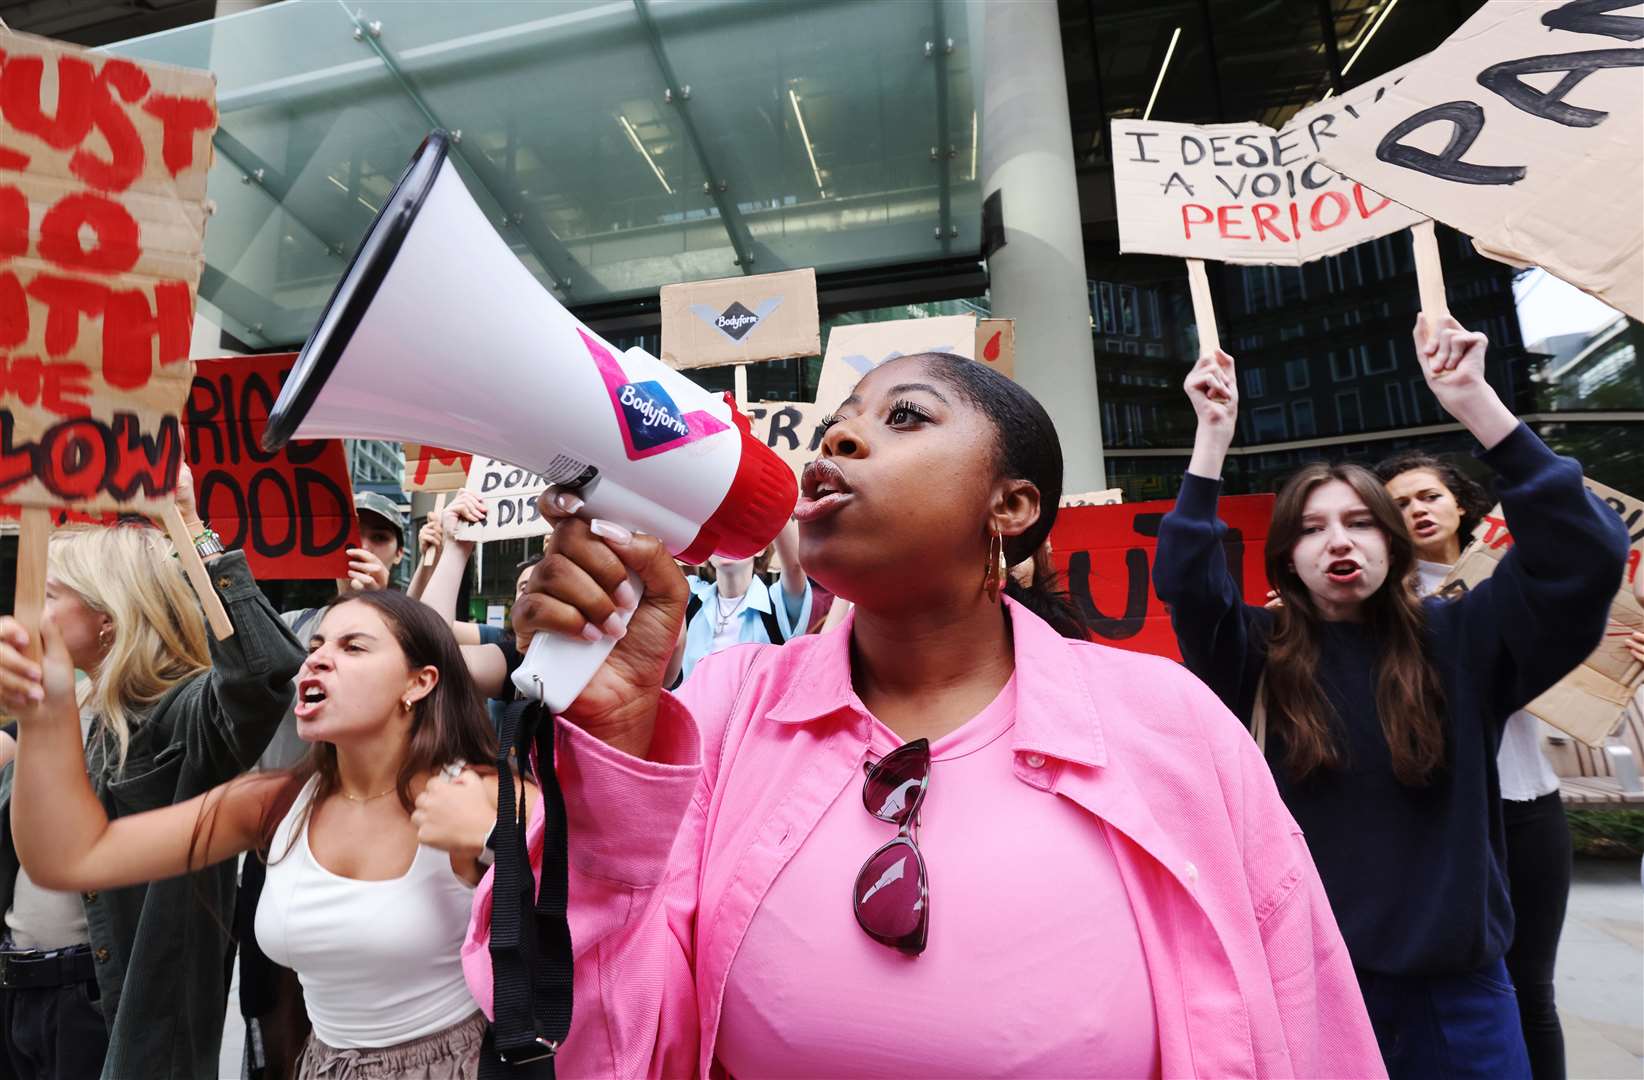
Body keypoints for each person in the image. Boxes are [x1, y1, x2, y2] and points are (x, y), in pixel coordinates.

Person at [462, 351, 1384, 1077]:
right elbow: (598, 1032)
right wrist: (613, 754)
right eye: (832, 429)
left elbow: (1303, 1016)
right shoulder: (726, 702)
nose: (837, 444)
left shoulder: (1169, 723)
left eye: (904, 417)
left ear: (1012, 505)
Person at [1153, 317, 1628, 1080]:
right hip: (1313, 992)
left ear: (1394, 543)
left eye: (1360, 522)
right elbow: (1186, 582)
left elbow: (1585, 553)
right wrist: (1212, 435)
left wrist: (1475, 403)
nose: (1338, 542)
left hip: (1460, 999)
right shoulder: (1256, 655)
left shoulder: (1467, 640)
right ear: (1286, 559)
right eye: (1311, 529)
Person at [3, 589, 507, 1080]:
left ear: (419, 683)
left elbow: (579, 911)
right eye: (315, 647)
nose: (318, 661)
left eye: (352, 647)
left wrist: (494, 837)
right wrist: (46, 711)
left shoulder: (478, 793)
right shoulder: (272, 803)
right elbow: (69, 858)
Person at [0, 467, 304, 1080]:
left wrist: (190, 525)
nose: (27, 607)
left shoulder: (176, 713)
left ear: (108, 614)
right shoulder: (52, 710)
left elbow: (264, 674)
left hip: (101, 1004)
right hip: (20, 996)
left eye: (50, 593)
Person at [1375, 449, 1574, 1080]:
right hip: (1445, 819)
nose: (1417, 510)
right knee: (1473, 992)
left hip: (1528, 804)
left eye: (1428, 496)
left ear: (1461, 504)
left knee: (1532, 992)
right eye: (1400, 504)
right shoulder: (1379, 601)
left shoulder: (1522, 582)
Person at [236, 489, 409, 1079]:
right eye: (351, 531)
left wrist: (379, 615)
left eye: (379, 536)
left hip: (378, 856)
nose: (361, 546)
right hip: (279, 845)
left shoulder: (421, 637)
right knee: (272, 1011)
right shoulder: (289, 631)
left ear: (400, 554)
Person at [670, 517, 811, 686]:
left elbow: (795, 567)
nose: (728, 542)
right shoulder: (691, 595)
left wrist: (776, 498)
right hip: (688, 711)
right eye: (718, 536)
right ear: (708, 554)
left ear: (760, 549)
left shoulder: (775, 603)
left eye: (739, 535)